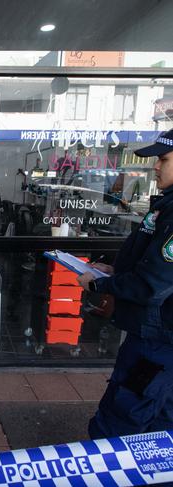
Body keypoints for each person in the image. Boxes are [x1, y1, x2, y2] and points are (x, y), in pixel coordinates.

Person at [77, 129, 173, 439]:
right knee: (161, 429)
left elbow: (152, 283)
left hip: (157, 345)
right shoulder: (167, 206)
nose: (156, 167)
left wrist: (100, 285)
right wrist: (114, 270)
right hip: (157, 340)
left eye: (164, 159)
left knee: (118, 424)